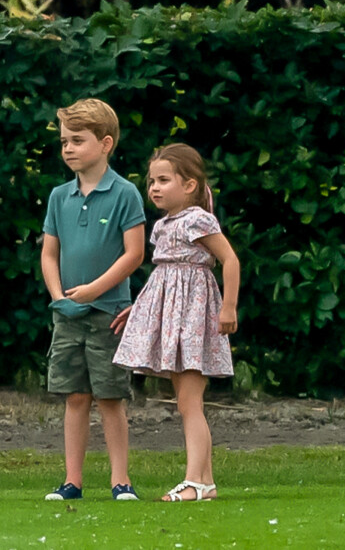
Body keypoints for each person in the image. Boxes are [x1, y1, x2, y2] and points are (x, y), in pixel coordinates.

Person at [112, 143, 240, 502]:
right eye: (151, 180)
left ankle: (195, 481)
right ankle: (206, 482)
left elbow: (230, 260)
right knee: (186, 401)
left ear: (189, 184)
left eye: (163, 180)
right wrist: (138, 309)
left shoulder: (199, 220)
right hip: (172, 318)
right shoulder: (164, 225)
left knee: (189, 403)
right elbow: (163, 280)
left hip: (193, 318)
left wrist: (228, 307)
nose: (153, 187)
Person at [41, 98, 146, 501]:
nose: (67, 148)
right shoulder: (57, 196)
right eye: (64, 141)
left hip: (110, 313)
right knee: (75, 396)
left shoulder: (125, 193)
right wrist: (58, 297)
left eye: (77, 140)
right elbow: (50, 253)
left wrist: (94, 291)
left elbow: (133, 254)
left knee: (110, 397)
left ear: (105, 143)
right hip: (66, 316)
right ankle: (73, 482)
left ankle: (121, 481)